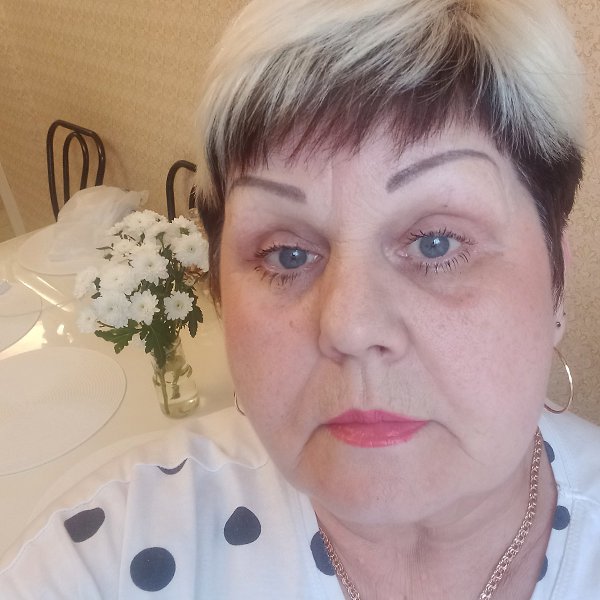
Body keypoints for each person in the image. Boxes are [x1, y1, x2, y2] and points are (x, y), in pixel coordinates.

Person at [2, 0, 599, 598]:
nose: (350, 326)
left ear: (555, 280)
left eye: (436, 243)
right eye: (287, 254)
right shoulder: (104, 551)